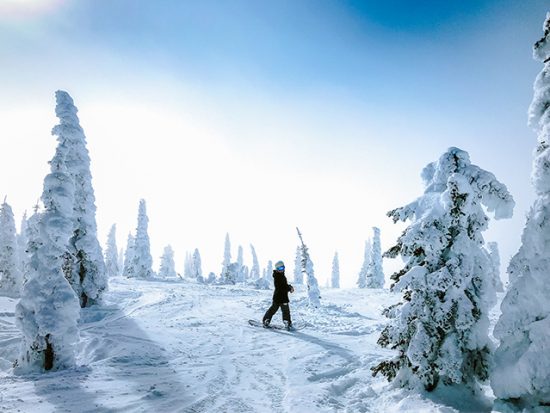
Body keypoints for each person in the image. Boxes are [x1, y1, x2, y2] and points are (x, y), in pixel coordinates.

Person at [262, 260, 294, 330]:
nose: (281, 270)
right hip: (279, 297)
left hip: (282, 297)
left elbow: (284, 285)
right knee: (274, 310)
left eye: (282, 268)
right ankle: (266, 320)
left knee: (285, 311)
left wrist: (289, 287)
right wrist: (289, 288)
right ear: (277, 269)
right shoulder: (277, 276)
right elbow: (280, 287)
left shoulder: (282, 275)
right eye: (279, 269)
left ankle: (287, 322)